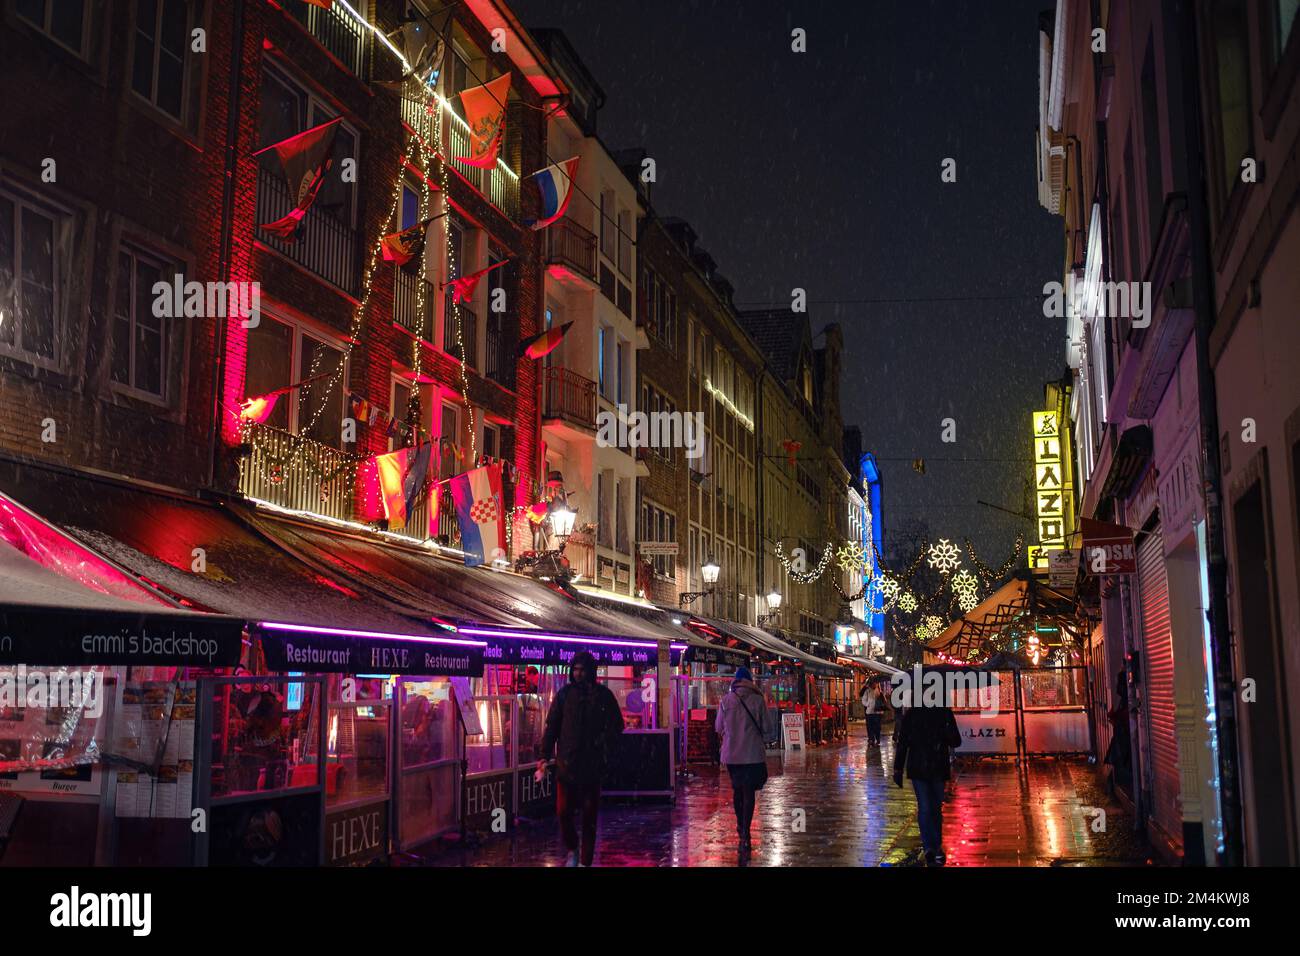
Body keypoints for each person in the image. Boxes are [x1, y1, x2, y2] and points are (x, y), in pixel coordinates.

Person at [538, 651, 624, 867]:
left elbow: (616, 726)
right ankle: (573, 848)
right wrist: (544, 755)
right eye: (575, 669)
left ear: (590, 671)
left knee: (589, 817)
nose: (578, 674)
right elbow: (552, 727)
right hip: (567, 764)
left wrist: (603, 745)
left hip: (592, 765)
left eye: (582, 669)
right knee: (563, 812)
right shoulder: (564, 695)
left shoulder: (603, 696)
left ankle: (584, 861)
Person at [892, 685, 961, 866]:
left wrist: (898, 768)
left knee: (924, 807)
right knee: (935, 807)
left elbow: (902, 744)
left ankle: (929, 846)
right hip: (937, 767)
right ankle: (935, 846)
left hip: (918, 768)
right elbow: (956, 741)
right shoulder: (944, 713)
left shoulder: (911, 715)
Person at [714, 666, 776, 853]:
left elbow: (718, 727)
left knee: (737, 789)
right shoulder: (758, 700)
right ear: (750, 681)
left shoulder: (726, 700)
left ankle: (741, 826)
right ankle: (745, 832)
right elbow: (767, 728)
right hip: (752, 754)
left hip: (732, 755)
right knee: (749, 792)